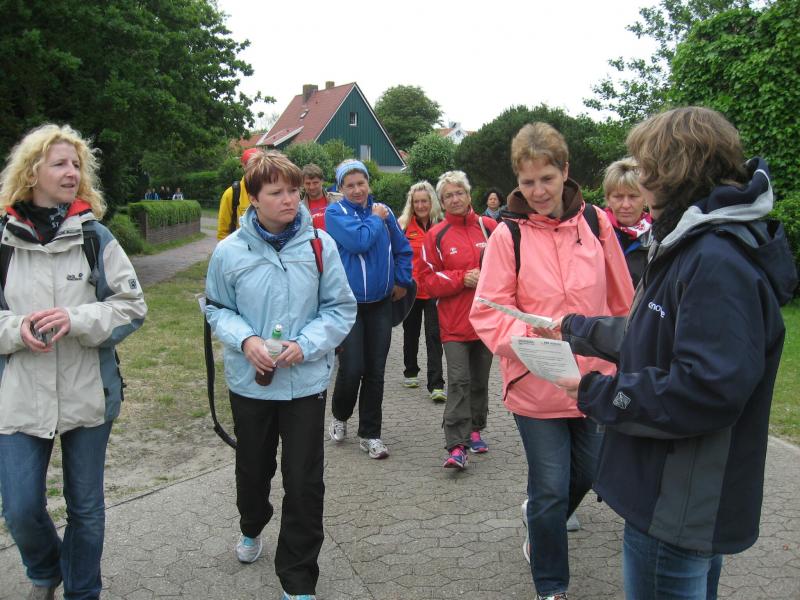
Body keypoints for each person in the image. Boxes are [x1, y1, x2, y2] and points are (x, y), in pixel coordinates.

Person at [549, 107, 797, 600]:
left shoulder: (715, 259)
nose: (639, 180)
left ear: (672, 171)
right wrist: (576, 328)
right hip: (670, 490)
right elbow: (655, 332)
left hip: (678, 500)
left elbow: (705, 389)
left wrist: (598, 392)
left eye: (645, 166)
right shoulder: (690, 243)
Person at [469, 122, 633, 600]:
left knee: (592, 472)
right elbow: (488, 310)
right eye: (527, 182)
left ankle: (541, 526)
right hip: (535, 382)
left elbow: (622, 303)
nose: (538, 191)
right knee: (550, 486)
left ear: (565, 171)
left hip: (594, 381)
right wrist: (532, 342)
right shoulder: (508, 235)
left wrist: (628, 357)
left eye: (546, 178)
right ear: (516, 182)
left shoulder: (597, 223)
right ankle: (551, 586)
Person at [0, 123, 147, 600]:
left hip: (88, 392)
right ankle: (46, 571)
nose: (72, 172)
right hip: (20, 395)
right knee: (20, 507)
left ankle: (82, 592)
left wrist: (76, 318)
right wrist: (16, 329)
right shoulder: (3, 242)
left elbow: (131, 307)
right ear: (32, 171)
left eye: (77, 164)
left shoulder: (95, 237)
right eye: (60, 163)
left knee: (85, 507)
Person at [205, 150, 356, 600]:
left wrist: (305, 344)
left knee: (304, 480)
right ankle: (252, 523)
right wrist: (247, 340)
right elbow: (216, 308)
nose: (290, 199)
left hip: (305, 383)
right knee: (254, 469)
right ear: (253, 198)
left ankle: (298, 577)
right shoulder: (229, 252)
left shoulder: (319, 245)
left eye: (294, 190)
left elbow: (340, 307)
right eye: (277, 192)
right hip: (251, 382)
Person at [324, 159, 413, 459]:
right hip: (348, 306)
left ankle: (370, 434)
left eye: (361, 183)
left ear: (368, 183)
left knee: (375, 371)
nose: (357, 190)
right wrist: (376, 218)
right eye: (349, 185)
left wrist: (402, 279)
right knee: (352, 368)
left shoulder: (384, 212)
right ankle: (340, 414)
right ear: (340, 188)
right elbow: (359, 242)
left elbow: (403, 249)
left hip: (380, 305)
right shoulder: (335, 213)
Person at [420, 170, 497, 469]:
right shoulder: (436, 235)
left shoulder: (489, 227)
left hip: (486, 321)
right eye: (448, 196)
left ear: (469, 194)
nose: (455, 199)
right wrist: (461, 278)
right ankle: (456, 445)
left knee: (479, 380)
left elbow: (508, 269)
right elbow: (427, 280)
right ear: (441, 202)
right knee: (459, 381)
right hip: (453, 324)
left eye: (459, 193)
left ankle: (476, 428)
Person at [397, 181, 446, 402]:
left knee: (434, 335)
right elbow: (397, 255)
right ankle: (410, 371)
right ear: (411, 203)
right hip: (411, 289)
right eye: (416, 202)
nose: (420, 205)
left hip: (434, 289)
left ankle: (436, 384)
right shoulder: (404, 226)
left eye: (424, 201)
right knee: (411, 333)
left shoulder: (442, 225)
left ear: (431, 202)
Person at [602, 157, 652, 286]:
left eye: (633, 196)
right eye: (618, 197)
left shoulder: (658, 236)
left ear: (645, 198)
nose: (626, 205)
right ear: (608, 198)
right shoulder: (594, 232)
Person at [217, 147, 259, 240]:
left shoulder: (273, 191)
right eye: (252, 165)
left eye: (260, 164)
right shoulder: (231, 193)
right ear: (244, 166)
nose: (257, 169)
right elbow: (223, 232)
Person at [300, 163, 342, 231]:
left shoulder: (339, 199)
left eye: (315, 183)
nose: (311, 187)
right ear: (303, 184)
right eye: (308, 183)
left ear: (322, 181)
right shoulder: (299, 209)